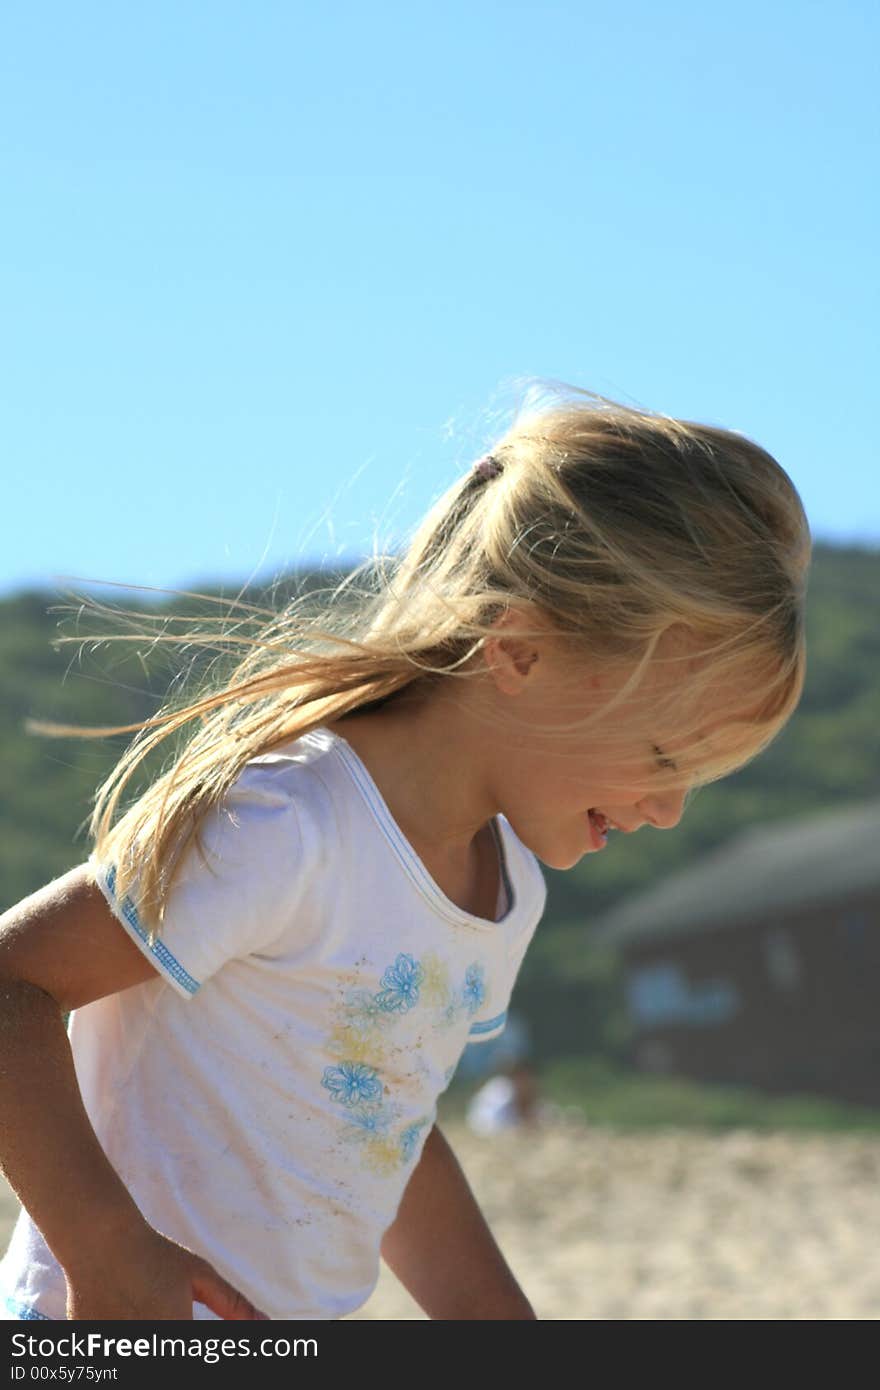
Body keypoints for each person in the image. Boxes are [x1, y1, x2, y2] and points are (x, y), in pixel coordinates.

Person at [0, 382, 810, 1320]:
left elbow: (382, 1121)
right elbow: (15, 985)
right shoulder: (292, 821)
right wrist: (107, 1248)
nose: (669, 809)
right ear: (518, 652)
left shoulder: (505, 889)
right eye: (666, 755)